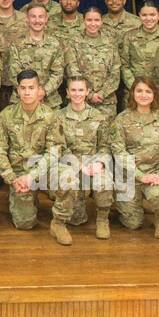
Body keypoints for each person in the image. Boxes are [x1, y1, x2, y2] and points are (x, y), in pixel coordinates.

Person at [0, 71, 69, 244]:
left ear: (39, 89)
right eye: (23, 88)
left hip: (43, 170)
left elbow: (54, 151)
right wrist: (12, 179)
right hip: (19, 174)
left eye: (31, 88)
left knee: (68, 177)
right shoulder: (6, 116)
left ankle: (59, 223)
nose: (27, 92)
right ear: (17, 90)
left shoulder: (50, 116)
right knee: (25, 223)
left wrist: (33, 176)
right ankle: (29, 198)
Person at [109, 78, 159, 239]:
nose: (143, 95)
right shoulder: (122, 119)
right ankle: (133, 204)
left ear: (154, 94)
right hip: (130, 177)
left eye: (148, 91)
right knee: (133, 223)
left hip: (156, 175)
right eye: (139, 91)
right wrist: (140, 175)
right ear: (132, 93)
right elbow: (119, 152)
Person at [52, 76, 115, 239]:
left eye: (81, 90)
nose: (77, 93)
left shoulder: (99, 117)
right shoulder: (57, 117)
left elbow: (105, 145)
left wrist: (100, 163)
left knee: (105, 182)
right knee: (77, 219)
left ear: (87, 92)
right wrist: (79, 166)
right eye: (73, 90)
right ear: (67, 93)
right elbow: (59, 147)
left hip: (93, 164)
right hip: (68, 165)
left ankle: (102, 219)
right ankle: (60, 220)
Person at [64, 7, 120, 119]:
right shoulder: (74, 41)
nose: (93, 23)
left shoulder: (110, 42)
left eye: (96, 20)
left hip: (106, 102)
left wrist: (102, 93)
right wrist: (89, 94)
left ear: (101, 21)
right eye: (89, 20)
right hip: (81, 100)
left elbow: (115, 71)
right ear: (83, 21)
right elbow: (72, 70)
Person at [5, 3, 64, 107]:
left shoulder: (55, 44)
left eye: (41, 16)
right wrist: (30, 92)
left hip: (49, 101)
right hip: (22, 100)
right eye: (33, 16)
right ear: (27, 19)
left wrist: (43, 91)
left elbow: (58, 73)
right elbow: (13, 72)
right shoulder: (17, 44)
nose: (37, 20)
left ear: (46, 19)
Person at [120, 2, 159, 95]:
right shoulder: (129, 36)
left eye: (152, 15)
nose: (148, 18)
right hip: (135, 91)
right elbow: (124, 64)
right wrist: (134, 86)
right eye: (144, 15)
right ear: (139, 16)